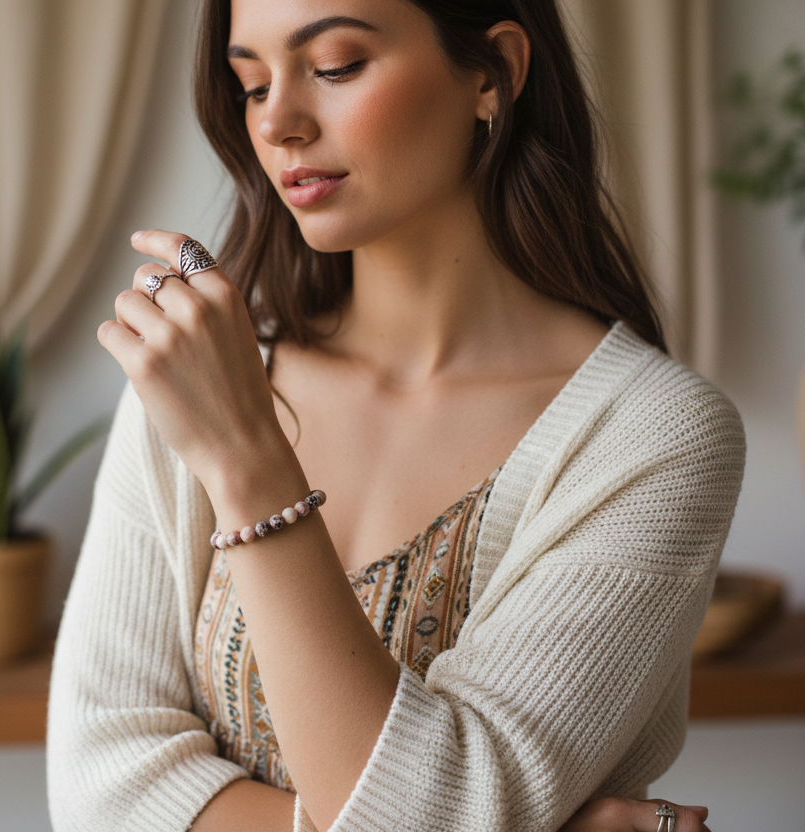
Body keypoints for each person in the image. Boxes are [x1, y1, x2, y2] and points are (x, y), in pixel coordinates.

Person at [46, 1, 745, 831]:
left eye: (336, 66)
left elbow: (439, 814)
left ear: (493, 73)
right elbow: (97, 789)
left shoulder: (654, 437)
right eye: (252, 83)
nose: (279, 122)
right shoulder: (200, 382)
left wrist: (250, 466)